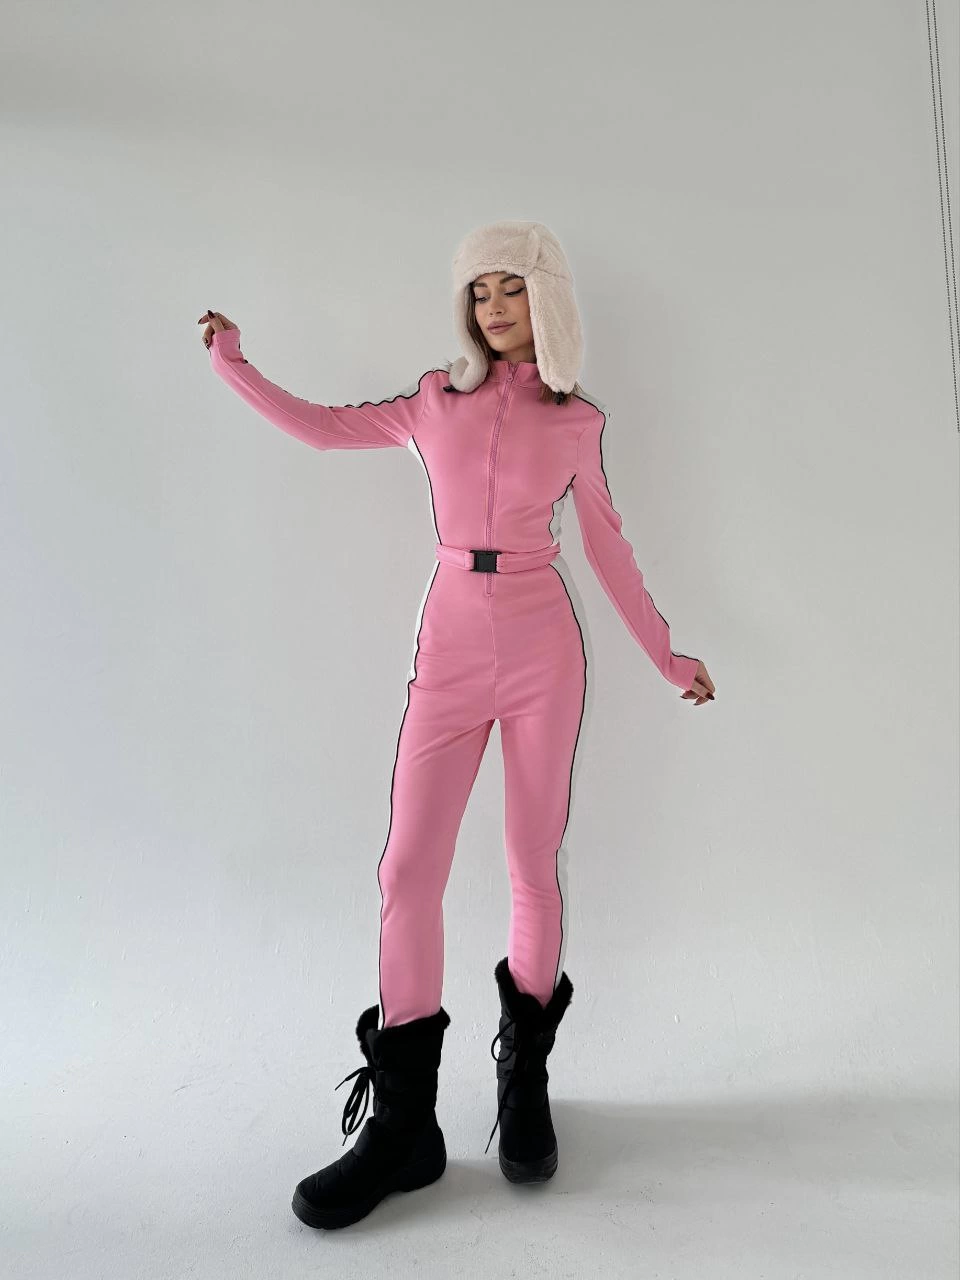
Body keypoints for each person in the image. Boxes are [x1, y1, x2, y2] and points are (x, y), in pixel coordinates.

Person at [198, 218, 715, 1229]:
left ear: (545, 299)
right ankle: (406, 1127)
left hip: (542, 648)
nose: (493, 307)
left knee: (531, 861)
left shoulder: (576, 421)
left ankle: (524, 1083)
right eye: (480, 291)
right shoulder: (434, 401)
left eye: (511, 288)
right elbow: (321, 427)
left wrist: (667, 655)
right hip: (449, 645)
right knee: (407, 870)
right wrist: (233, 362)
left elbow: (608, 549)